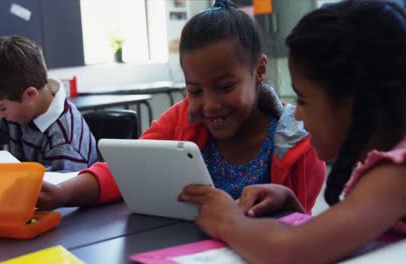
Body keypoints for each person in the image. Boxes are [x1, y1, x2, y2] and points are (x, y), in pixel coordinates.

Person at [36, 0, 325, 211]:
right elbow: (127, 170)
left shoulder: (298, 145)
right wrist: (62, 194)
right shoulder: (181, 119)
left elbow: (302, 231)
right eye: (194, 90)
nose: (210, 105)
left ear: (259, 70)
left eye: (225, 87)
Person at [179, 0, 406, 262]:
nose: (297, 113)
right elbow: (336, 239)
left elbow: (290, 251)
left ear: (355, 104)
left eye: (305, 100)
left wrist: (226, 221)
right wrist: (290, 204)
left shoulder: (396, 173)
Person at [0, 35, 97, 172]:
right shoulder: (16, 112)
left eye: (1, 108)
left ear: (30, 95)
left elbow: (56, 194)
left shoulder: (64, 141)